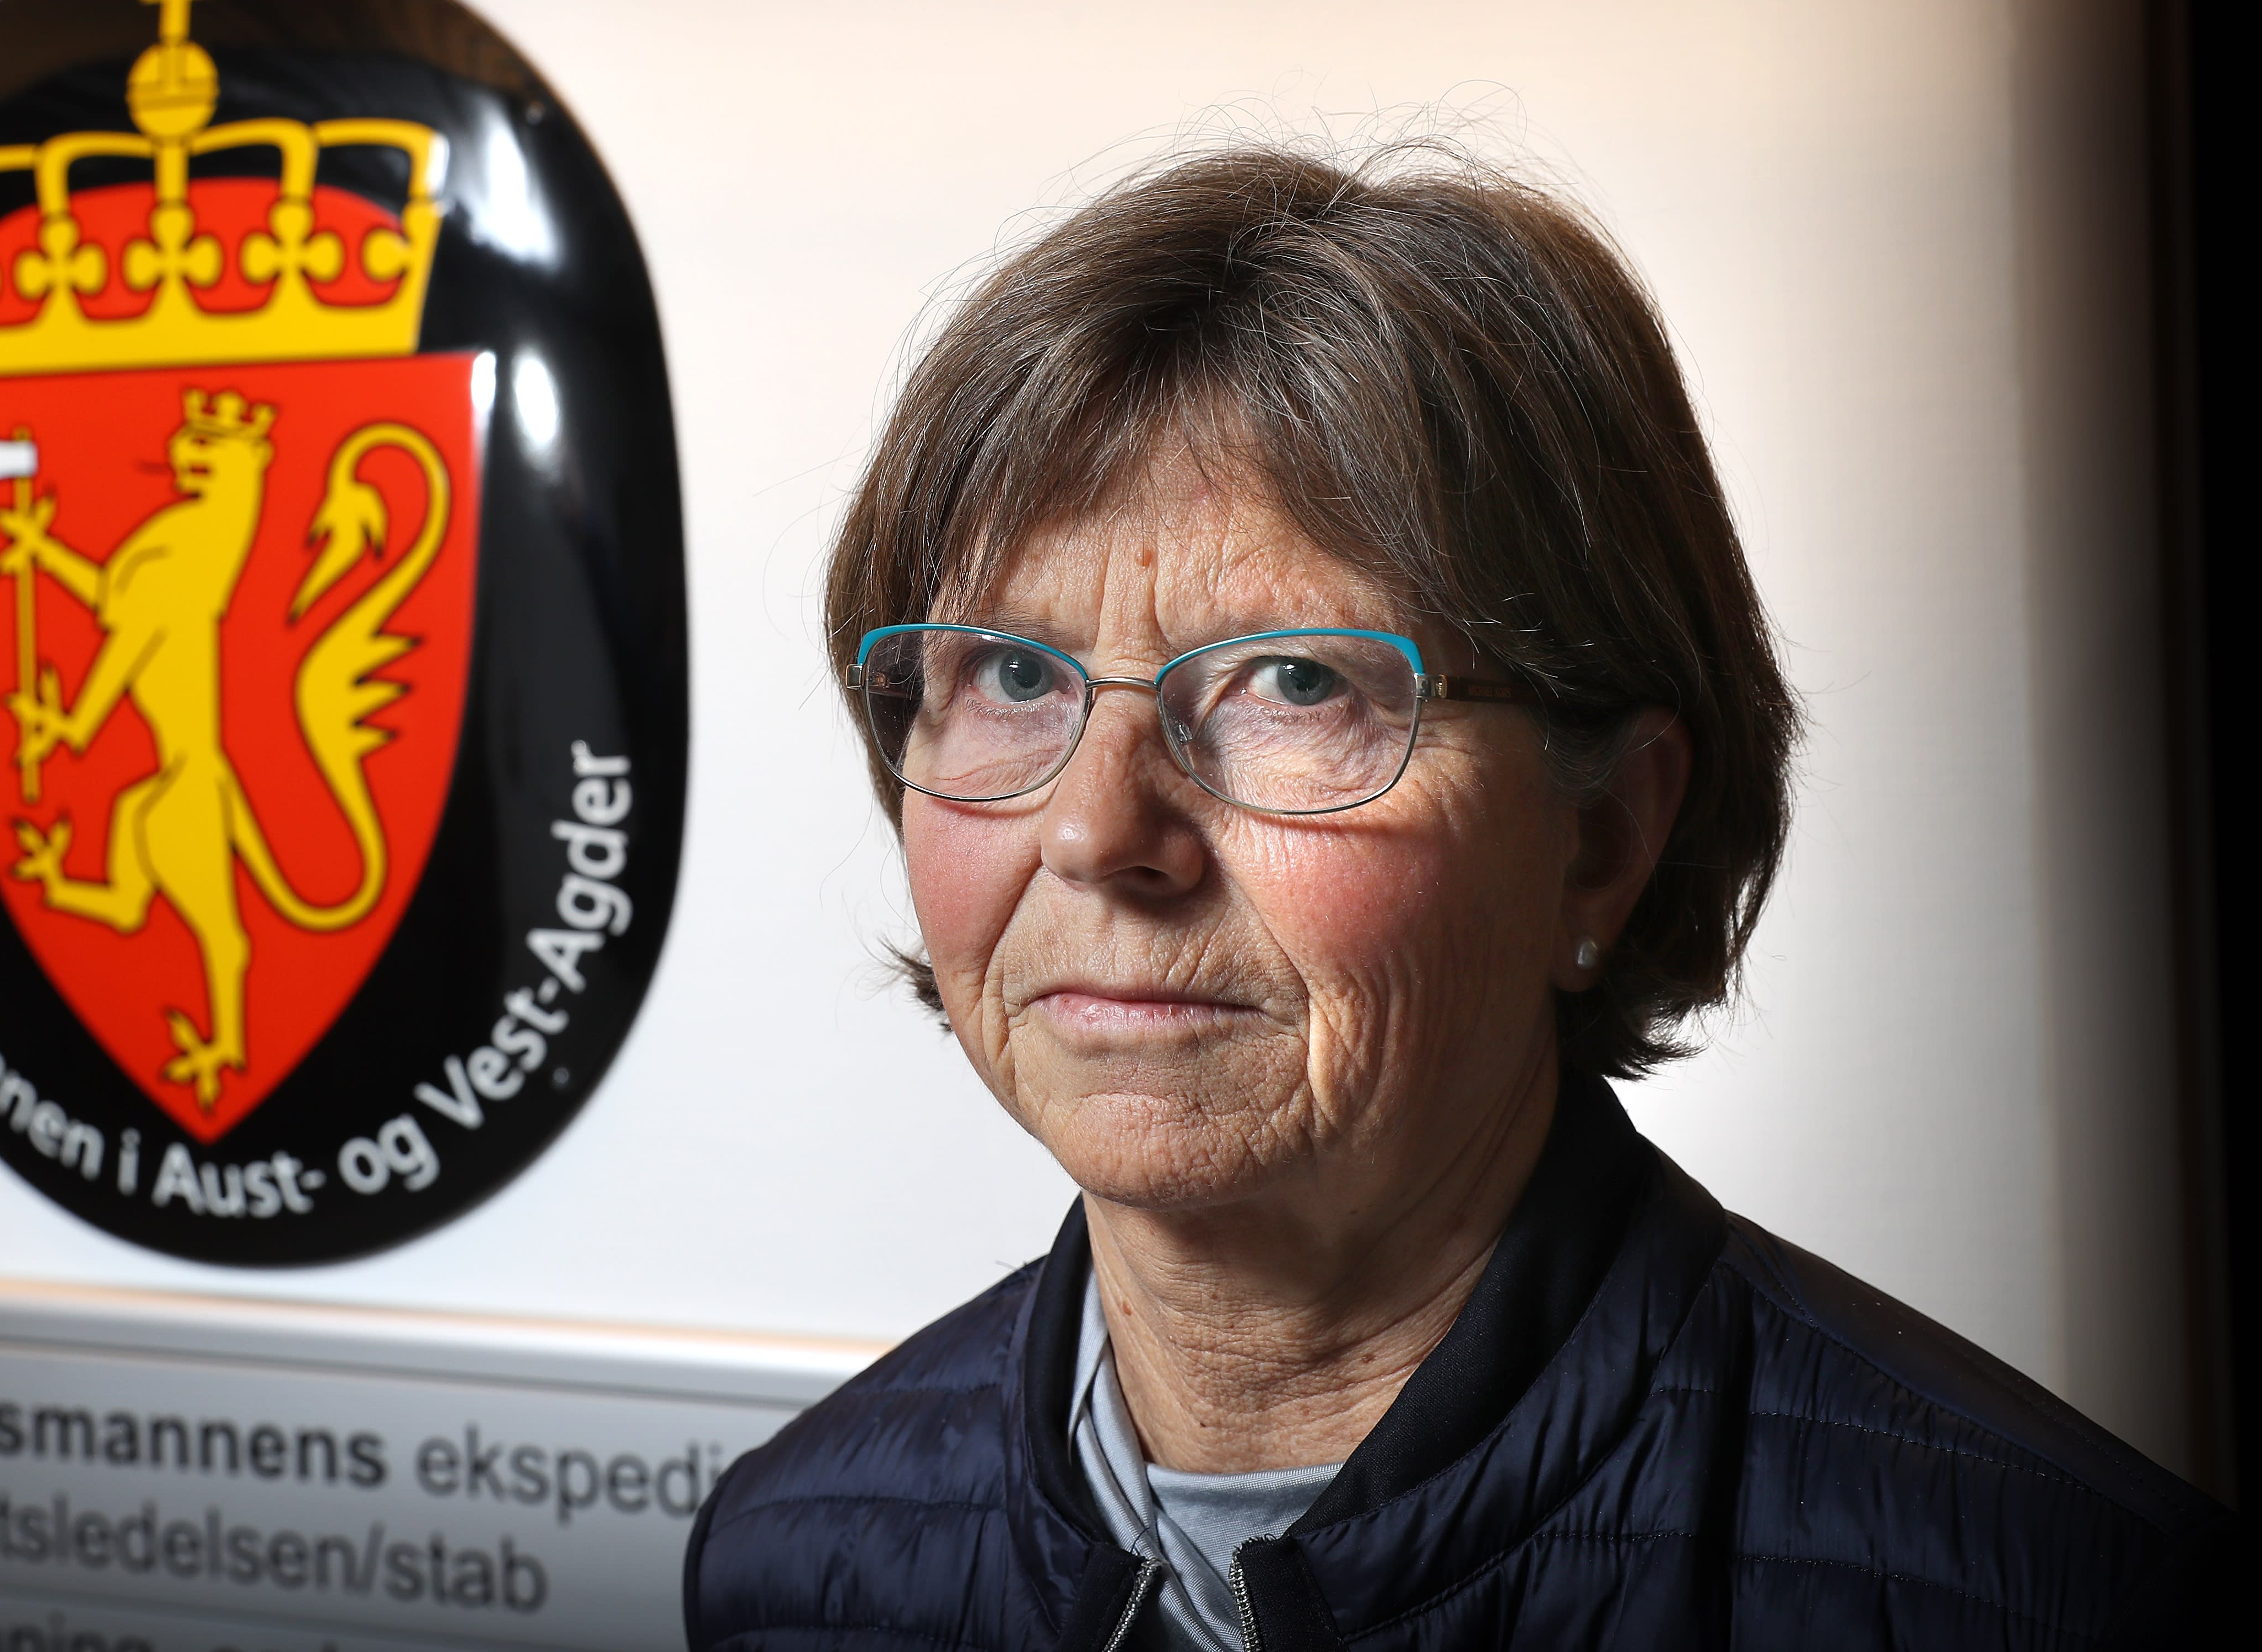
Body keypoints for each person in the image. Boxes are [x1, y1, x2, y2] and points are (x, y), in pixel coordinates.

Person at [683, 147, 2230, 1648]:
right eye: (1014, 677)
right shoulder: (784, 1567)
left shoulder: (2074, 1603)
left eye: (1296, 681)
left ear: (1604, 835)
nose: (1098, 830)